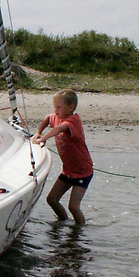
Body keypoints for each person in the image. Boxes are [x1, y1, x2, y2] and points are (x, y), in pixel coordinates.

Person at [32, 89, 93, 224]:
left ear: (71, 107)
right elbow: (48, 118)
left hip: (83, 172)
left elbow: (59, 129)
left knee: (73, 207)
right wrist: (38, 132)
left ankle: (79, 230)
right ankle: (63, 222)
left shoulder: (73, 121)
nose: (56, 110)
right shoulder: (56, 117)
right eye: (55, 107)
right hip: (68, 171)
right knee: (52, 199)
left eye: (59, 107)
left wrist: (43, 138)